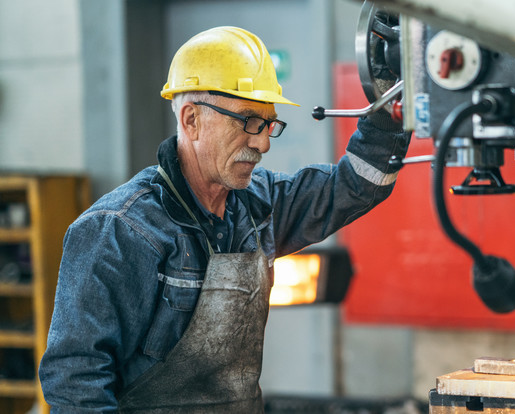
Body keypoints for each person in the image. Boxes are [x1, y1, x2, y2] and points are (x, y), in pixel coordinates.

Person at [38, 26, 409, 413]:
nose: (263, 143)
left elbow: (355, 186)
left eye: (269, 124)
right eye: (248, 120)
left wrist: (392, 101)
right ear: (191, 119)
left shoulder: (259, 207)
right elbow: (75, 382)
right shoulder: (118, 231)